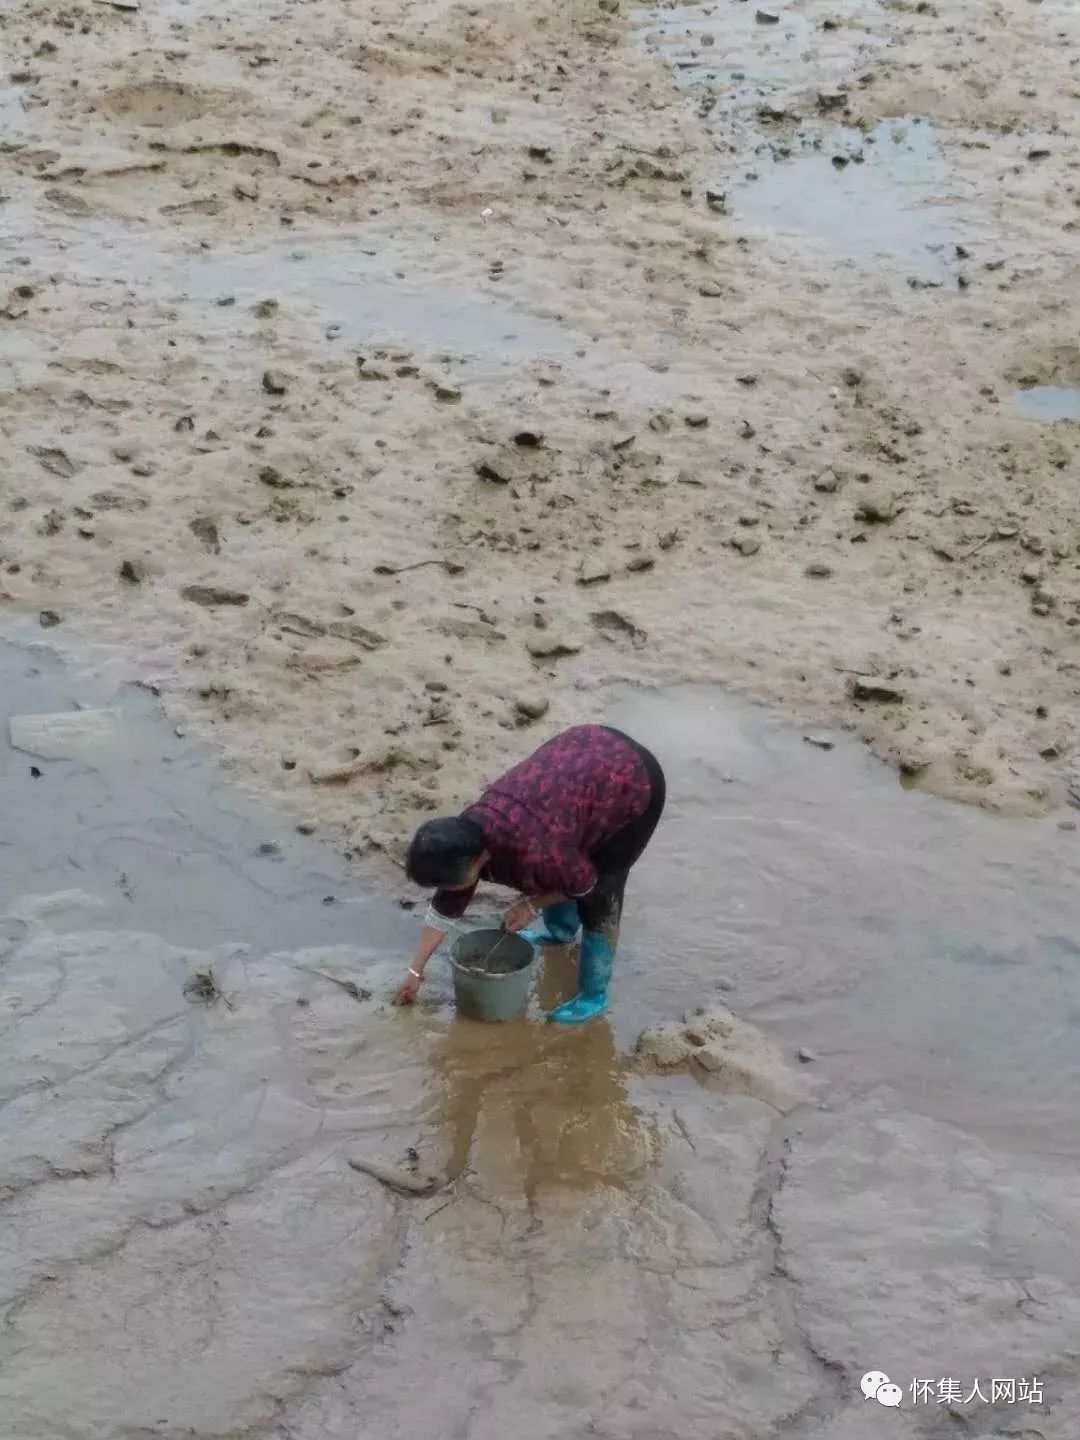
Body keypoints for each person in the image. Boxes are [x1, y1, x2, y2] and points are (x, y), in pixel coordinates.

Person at [394, 724, 666, 1023]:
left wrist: (531, 906)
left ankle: (594, 994)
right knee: (566, 860)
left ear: (478, 861)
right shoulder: (467, 834)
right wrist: (414, 971)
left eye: (452, 884)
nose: (450, 891)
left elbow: (586, 883)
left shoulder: (537, 853)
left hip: (634, 782)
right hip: (583, 754)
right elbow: (446, 905)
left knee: (601, 893)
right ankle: (560, 933)